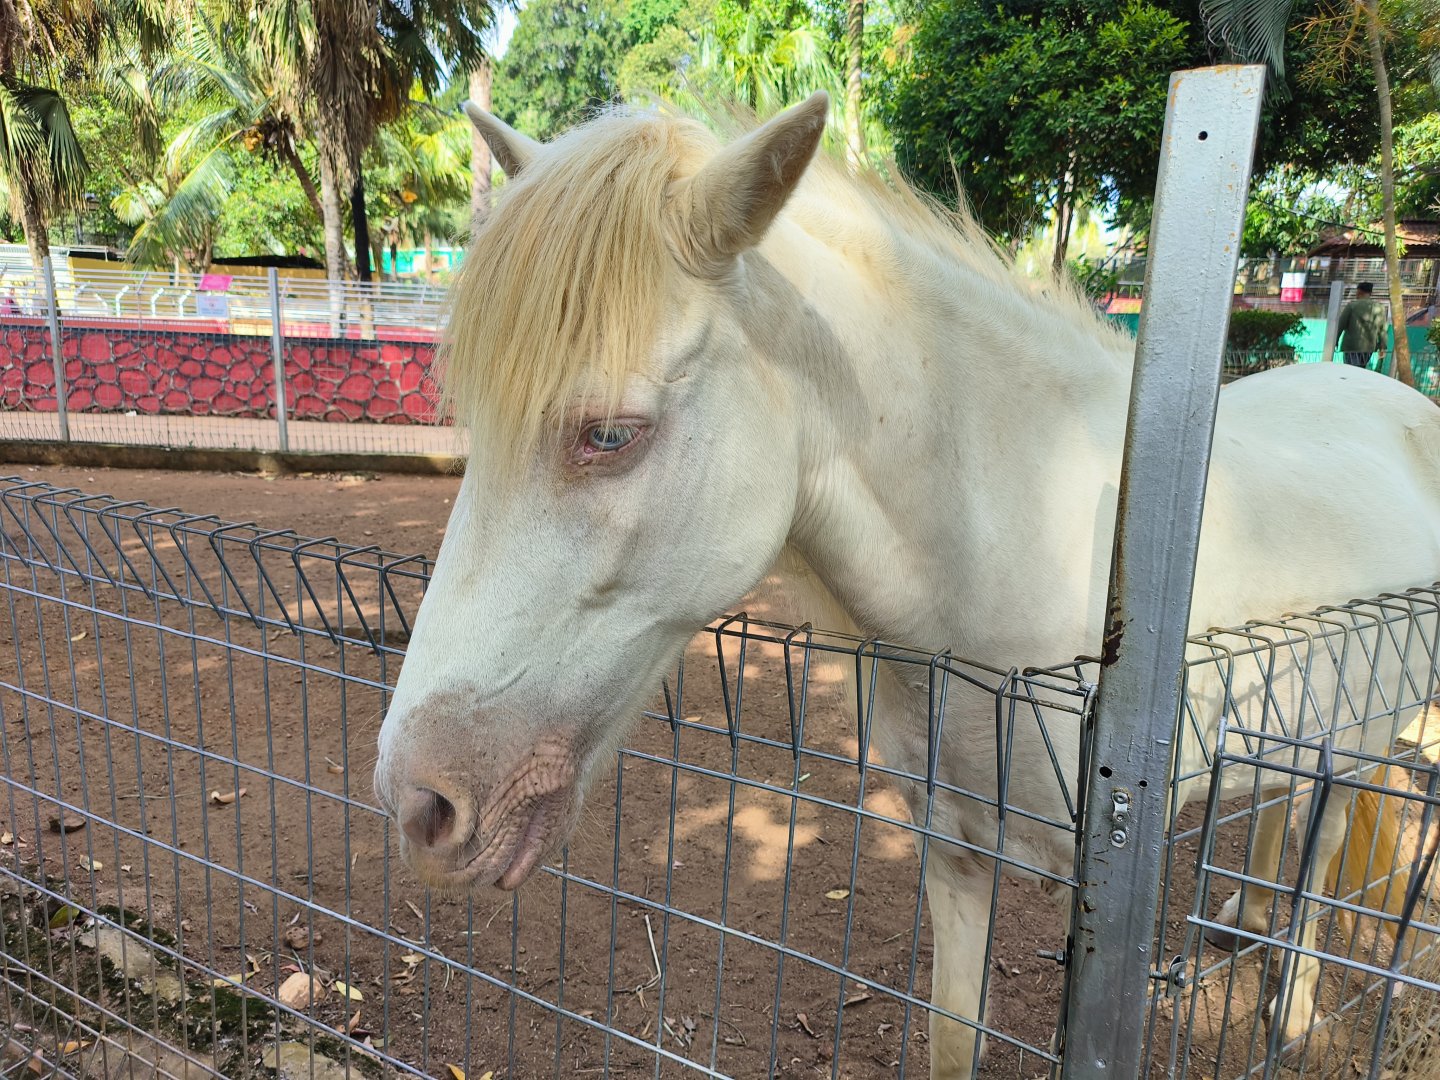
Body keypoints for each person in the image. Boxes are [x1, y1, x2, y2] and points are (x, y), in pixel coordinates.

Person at [1335, 281, 1388, 368]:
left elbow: (1341, 325)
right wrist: (1383, 346)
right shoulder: (1379, 308)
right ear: (1370, 293)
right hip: (1369, 348)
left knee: (1350, 371)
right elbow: (1382, 330)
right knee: (1361, 370)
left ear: (1359, 291)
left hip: (1351, 347)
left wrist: (1335, 341)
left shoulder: (1352, 306)